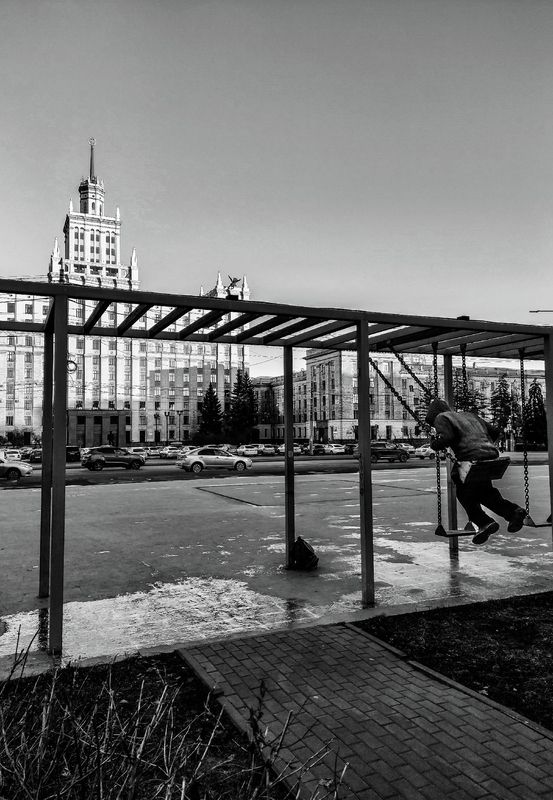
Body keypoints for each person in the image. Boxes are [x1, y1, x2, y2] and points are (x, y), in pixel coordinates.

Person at [425, 399, 526, 545]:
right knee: (486, 493)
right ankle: (513, 512)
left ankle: (484, 522)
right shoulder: (471, 416)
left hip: (470, 458)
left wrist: (434, 444)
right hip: (490, 456)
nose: (435, 426)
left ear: (434, 416)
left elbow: (447, 438)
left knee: (464, 493)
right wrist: (483, 444)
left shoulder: (441, 417)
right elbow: (495, 432)